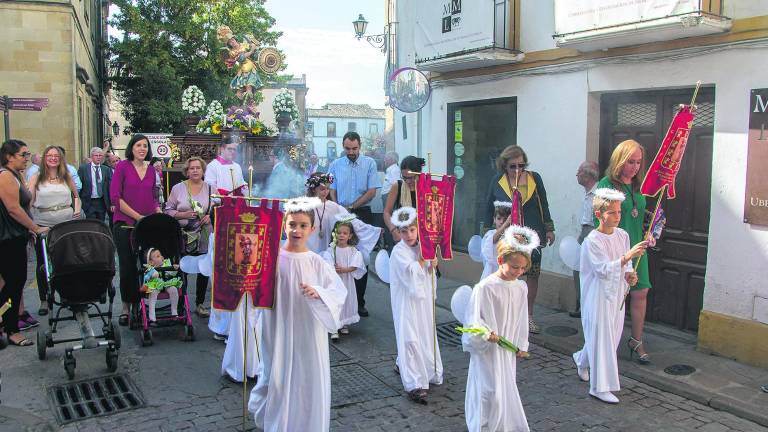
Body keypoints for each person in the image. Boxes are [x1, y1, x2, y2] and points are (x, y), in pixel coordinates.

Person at [248, 196, 346, 432]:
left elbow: (338, 292)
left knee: (306, 376)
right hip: (277, 324)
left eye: (303, 225)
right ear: (284, 225)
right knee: (276, 374)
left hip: (308, 330)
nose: (297, 230)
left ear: (312, 229)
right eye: (292, 224)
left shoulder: (317, 262)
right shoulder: (271, 258)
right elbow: (256, 287)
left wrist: (319, 292)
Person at [573, 188, 647, 404]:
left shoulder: (622, 235)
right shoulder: (592, 241)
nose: (617, 216)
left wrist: (630, 275)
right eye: (612, 212)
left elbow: (626, 267)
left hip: (616, 294)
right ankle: (599, 387)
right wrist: (627, 257)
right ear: (599, 214)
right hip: (597, 296)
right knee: (602, 338)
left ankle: (581, 359)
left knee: (610, 337)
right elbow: (602, 269)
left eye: (619, 212)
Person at [463, 225, 535, 432]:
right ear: (501, 260)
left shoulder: (520, 287)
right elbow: (473, 320)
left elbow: (521, 319)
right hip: (488, 349)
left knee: (503, 386)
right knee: (489, 390)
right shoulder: (485, 287)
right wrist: (485, 334)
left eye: (523, 269)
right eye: (515, 267)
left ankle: (503, 423)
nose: (519, 272)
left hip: (507, 348)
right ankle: (484, 425)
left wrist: (521, 344)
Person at [486, 145, 555, 334]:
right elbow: (488, 206)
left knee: (532, 275)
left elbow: (543, 203)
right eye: (513, 166)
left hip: (532, 234)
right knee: (509, 274)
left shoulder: (534, 178)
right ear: (504, 166)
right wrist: (486, 232)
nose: (517, 170)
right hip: (507, 236)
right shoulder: (497, 181)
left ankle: (528, 316)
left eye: (521, 165)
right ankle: (508, 315)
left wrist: (549, 228)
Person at [596, 139, 652, 364]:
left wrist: (649, 231)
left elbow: (642, 215)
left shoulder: (638, 185)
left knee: (640, 292)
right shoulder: (607, 184)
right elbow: (600, 220)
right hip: (616, 248)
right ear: (619, 160)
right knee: (614, 296)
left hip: (637, 247)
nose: (635, 167)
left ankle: (636, 340)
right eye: (630, 162)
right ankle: (607, 340)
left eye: (638, 162)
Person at [389, 206, 443, 404]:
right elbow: (409, 274)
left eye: (412, 230)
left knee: (424, 334)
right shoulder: (398, 251)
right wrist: (422, 260)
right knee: (409, 336)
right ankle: (414, 382)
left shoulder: (423, 246)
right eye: (404, 231)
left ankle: (414, 366)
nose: (409, 235)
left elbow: (428, 273)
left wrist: (432, 263)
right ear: (398, 232)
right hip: (406, 301)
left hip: (423, 301)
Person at [0, 140, 49, 347]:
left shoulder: (15, 175)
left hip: (16, 237)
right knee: (13, 284)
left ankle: (6, 323)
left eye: (28, 154)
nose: (27, 158)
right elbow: (13, 208)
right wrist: (35, 227)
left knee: (14, 284)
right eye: (23, 154)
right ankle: (11, 329)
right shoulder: (5, 176)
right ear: (9, 157)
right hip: (8, 240)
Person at [328, 131, 381, 317]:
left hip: (361, 213)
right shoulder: (335, 164)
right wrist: (337, 207)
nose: (351, 152)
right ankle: (340, 302)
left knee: (361, 258)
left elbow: (372, 191)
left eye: (354, 148)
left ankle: (359, 302)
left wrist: (352, 207)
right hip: (340, 214)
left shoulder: (370, 163)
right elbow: (331, 189)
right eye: (347, 148)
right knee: (339, 256)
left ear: (360, 146)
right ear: (343, 146)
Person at [111, 134, 162, 327]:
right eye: (138, 145)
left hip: (146, 225)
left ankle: (140, 304)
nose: (142, 148)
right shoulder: (122, 167)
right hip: (125, 224)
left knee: (146, 266)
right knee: (127, 267)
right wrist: (137, 216)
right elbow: (116, 197)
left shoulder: (151, 170)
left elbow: (154, 196)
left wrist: (158, 210)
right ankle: (126, 307)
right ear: (131, 148)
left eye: (145, 146)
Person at [28, 145, 81, 317]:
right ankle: (44, 299)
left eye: (56, 155)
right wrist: (31, 225)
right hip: (43, 224)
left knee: (66, 261)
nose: (53, 158)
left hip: (65, 224)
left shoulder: (66, 177)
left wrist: (76, 210)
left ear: (60, 159)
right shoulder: (36, 178)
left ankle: (67, 296)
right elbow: (29, 202)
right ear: (44, 158)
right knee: (43, 262)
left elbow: (76, 196)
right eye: (49, 155)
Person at [205, 140, 247, 340]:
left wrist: (243, 192)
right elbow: (211, 190)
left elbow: (242, 186)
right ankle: (221, 326)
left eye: (235, 150)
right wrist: (224, 195)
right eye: (229, 149)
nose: (232, 152)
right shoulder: (213, 166)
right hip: (221, 212)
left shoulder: (237, 167)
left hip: (237, 213)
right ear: (221, 149)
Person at [164, 157, 212, 317]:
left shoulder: (211, 188)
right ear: (187, 171)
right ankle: (180, 304)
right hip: (183, 236)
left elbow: (217, 209)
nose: (195, 170)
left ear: (203, 170)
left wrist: (210, 216)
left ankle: (200, 303)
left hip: (203, 234)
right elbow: (167, 210)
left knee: (203, 268)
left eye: (198, 168)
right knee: (182, 268)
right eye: (192, 168)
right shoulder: (178, 188)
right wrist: (182, 214)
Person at [321, 214, 365, 340]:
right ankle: (334, 327)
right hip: (335, 282)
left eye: (345, 233)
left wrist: (345, 270)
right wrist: (332, 268)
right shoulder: (332, 249)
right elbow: (327, 262)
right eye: (339, 233)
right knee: (335, 302)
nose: (341, 235)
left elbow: (356, 265)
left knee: (345, 301)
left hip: (346, 281)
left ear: (350, 236)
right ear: (335, 234)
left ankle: (344, 323)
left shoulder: (352, 250)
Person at [571, 161, 599, 318]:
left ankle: (588, 307)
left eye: (580, 171)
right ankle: (582, 305)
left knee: (589, 270)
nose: (577, 174)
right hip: (584, 231)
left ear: (589, 175)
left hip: (593, 231)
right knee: (577, 267)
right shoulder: (587, 192)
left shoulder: (599, 193)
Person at [383, 155, 425, 249]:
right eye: (404, 177)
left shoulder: (426, 187)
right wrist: (393, 230)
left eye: (411, 177)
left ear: (419, 173)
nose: (408, 181)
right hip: (403, 236)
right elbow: (386, 212)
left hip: (423, 237)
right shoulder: (398, 186)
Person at [141, 248, 181, 325]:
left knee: (174, 290)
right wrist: (152, 274)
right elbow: (146, 277)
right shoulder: (149, 268)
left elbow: (172, 274)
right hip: (155, 285)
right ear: (151, 262)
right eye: (158, 256)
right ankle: (152, 316)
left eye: (160, 255)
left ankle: (174, 311)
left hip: (166, 283)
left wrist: (174, 268)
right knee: (152, 293)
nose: (161, 257)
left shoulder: (166, 263)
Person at [78, 147, 112, 223]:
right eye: (96, 155)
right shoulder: (84, 168)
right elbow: (79, 185)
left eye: (100, 155)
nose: (98, 157)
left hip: (102, 202)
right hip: (88, 201)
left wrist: (111, 203)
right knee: (91, 224)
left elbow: (109, 186)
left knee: (101, 223)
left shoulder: (106, 169)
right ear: (91, 157)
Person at [480, 201, 512, 279]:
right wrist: (506, 224)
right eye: (499, 218)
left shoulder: (511, 235)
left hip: (507, 271)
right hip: (491, 272)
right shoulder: (490, 233)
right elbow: (493, 240)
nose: (501, 222)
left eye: (505, 219)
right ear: (494, 219)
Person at [380, 151, 401, 249]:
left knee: (389, 221)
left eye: (386, 158)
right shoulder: (391, 169)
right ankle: (390, 245)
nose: (384, 160)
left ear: (391, 159)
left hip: (389, 197)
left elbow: (395, 185)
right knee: (387, 220)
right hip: (387, 196)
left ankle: (392, 246)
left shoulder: (395, 170)